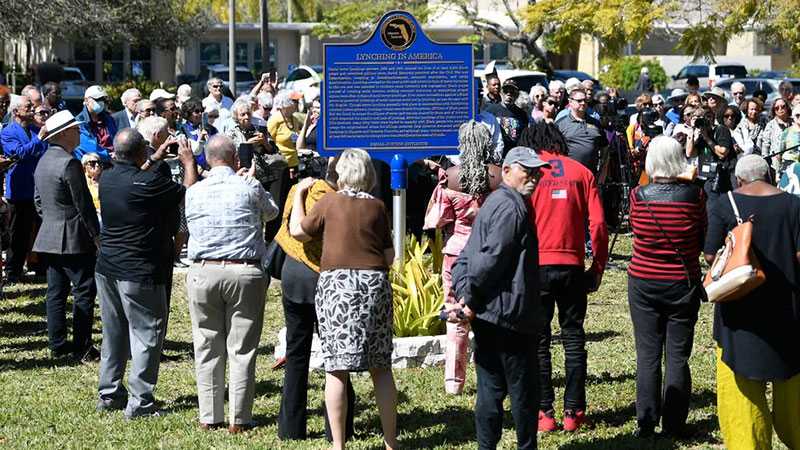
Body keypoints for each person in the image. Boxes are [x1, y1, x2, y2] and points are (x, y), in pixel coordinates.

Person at [288, 148, 398, 450]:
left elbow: (298, 232)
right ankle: (391, 443)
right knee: (381, 367)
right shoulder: (377, 207)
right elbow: (390, 256)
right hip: (374, 284)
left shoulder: (328, 202)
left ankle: (338, 445)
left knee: (337, 368)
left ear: (341, 173)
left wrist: (299, 195)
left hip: (337, 286)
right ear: (369, 174)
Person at [450, 146, 548, 450]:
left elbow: (466, 257)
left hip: (493, 313)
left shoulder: (497, 202)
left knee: (491, 388)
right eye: (527, 170)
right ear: (506, 171)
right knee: (521, 392)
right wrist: (471, 300)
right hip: (509, 316)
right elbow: (489, 258)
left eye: (537, 171)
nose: (534, 176)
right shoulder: (511, 207)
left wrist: (466, 295)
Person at [95, 128, 197, 419]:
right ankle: (140, 402)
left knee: (113, 334)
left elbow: (136, 173)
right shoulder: (149, 183)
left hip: (107, 268)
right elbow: (190, 195)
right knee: (147, 334)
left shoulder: (108, 177)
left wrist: (153, 156)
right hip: (139, 271)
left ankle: (109, 393)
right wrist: (188, 162)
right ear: (140, 153)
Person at [704, 155, 800, 450]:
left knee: (742, 393)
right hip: (789, 309)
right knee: (792, 389)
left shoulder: (724, 203)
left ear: (738, 179)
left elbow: (710, 256)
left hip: (739, 311)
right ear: (770, 174)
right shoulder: (795, 205)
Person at [184, 135, 278, 433]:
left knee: (207, 344)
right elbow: (271, 212)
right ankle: (240, 418)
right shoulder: (249, 186)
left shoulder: (194, 191)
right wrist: (252, 182)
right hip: (243, 271)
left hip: (203, 270)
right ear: (236, 157)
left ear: (208, 160)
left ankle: (209, 416)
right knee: (242, 348)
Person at [519, 122, 608, 433]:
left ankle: (544, 412)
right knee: (573, 337)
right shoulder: (581, 172)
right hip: (571, 265)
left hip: (536, 267)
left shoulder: (528, 173)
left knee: (539, 341)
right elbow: (597, 225)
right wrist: (598, 266)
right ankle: (574, 411)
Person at [273, 157, 357, 442]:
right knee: (337, 359)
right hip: (327, 281)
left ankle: (290, 428)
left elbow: (288, 227)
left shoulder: (299, 191)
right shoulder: (340, 203)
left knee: (296, 354)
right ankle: (340, 428)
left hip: (293, 275)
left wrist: (298, 193)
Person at [627, 136, 706, 438]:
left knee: (647, 355)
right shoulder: (695, 196)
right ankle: (674, 423)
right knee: (677, 356)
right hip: (682, 281)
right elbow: (701, 237)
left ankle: (645, 421)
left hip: (644, 280)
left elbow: (635, 230)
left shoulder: (638, 195)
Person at [423, 121, 500, 395]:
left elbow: (436, 219)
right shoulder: (498, 177)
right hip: (489, 249)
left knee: (456, 314)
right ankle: (489, 379)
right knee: (489, 316)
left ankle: (454, 382)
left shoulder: (451, 177)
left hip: (456, 251)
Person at [32, 110, 100, 361]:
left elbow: (38, 201)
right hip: (74, 237)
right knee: (84, 290)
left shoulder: (44, 160)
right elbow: (83, 205)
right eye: (75, 129)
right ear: (64, 134)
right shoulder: (68, 163)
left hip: (49, 234)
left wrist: (51, 220)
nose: (79, 132)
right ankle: (82, 346)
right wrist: (96, 235)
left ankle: (58, 344)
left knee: (56, 292)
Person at [1, 95, 48, 283]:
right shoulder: (8, 132)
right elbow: (18, 153)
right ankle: (13, 271)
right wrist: (39, 140)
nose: (32, 109)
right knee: (18, 234)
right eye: (28, 107)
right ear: (16, 112)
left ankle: (39, 266)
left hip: (38, 189)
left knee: (39, 231)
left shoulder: (35, 130)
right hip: (19, 190)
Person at [556, 88, 608, 174]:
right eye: (579, 101)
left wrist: (603, 170)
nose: (583, 103)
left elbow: (605, 147)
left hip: (591, 174)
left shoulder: (595, 122)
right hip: (569, 173)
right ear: (570, 102)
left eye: (585, 100)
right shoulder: (560, 124)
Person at [74, 85, 117, 162]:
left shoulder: (109, 119)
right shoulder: (79, 122)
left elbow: (115, 138)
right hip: (91, 163)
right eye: (97, 99)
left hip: (113, 161)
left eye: (103, 99)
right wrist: (109, 154)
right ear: (86, 101)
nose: (101, 102)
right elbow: (89, 147)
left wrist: (117, 153)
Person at [484, 79, 529, 152]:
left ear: (517, 95)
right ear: (501, 93)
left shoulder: (522, 114)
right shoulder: (490, 111)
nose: (508, 94)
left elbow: (524, 137)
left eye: (512, 92)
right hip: (495, 152)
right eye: (506, 91)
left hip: (514, 153)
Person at [758, 98, 792, 174]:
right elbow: (765, 144)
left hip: (793, 159)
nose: (780, 109)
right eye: (777, 108)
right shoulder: (770, 125)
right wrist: (766, 160)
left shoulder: (794, 122)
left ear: (787, 107)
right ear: (774, 110)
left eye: (783, 106)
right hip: (776, 162)